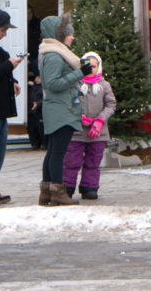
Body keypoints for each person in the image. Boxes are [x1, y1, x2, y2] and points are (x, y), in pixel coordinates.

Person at [38, 14, 88, 206]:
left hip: (59, 108)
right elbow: (52, 84)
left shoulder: (54, 53)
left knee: (52, 152)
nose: (72, 37)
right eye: (68, 33)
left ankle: (47, 192)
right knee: (58, 153)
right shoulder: (54, 55)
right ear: (59, 34)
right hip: (60, 109)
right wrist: (79, 73)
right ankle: (57, 192)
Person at [62, 52, 115, 200]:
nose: (91, 68)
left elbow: (111, 104)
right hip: (77, 131)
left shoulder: (104, 85)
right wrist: (78, 116)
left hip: (98, 132)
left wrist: (100, 120)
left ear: (98, 67)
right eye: (87, 66)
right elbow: (69, 102)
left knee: (93, 161)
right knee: (72, 160)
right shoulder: (76, 84)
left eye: (94, 66)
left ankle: (89, 187)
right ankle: (67, 187)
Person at [0, 9, 25, 207]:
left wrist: (13, 82)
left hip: (0, 109)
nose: (5, 34)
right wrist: (9, 66)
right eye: (3, 29)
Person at [27, 72, 44, 150]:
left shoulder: (44, 88)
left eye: (39, 77)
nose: (37, 79)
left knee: (40, 128)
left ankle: (43, 143)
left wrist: (38, 104)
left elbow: (45, 99)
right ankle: (35, 143)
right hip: (30, 112)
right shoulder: (31, 87)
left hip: (39, 112)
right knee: (31, 129)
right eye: (36, 77)